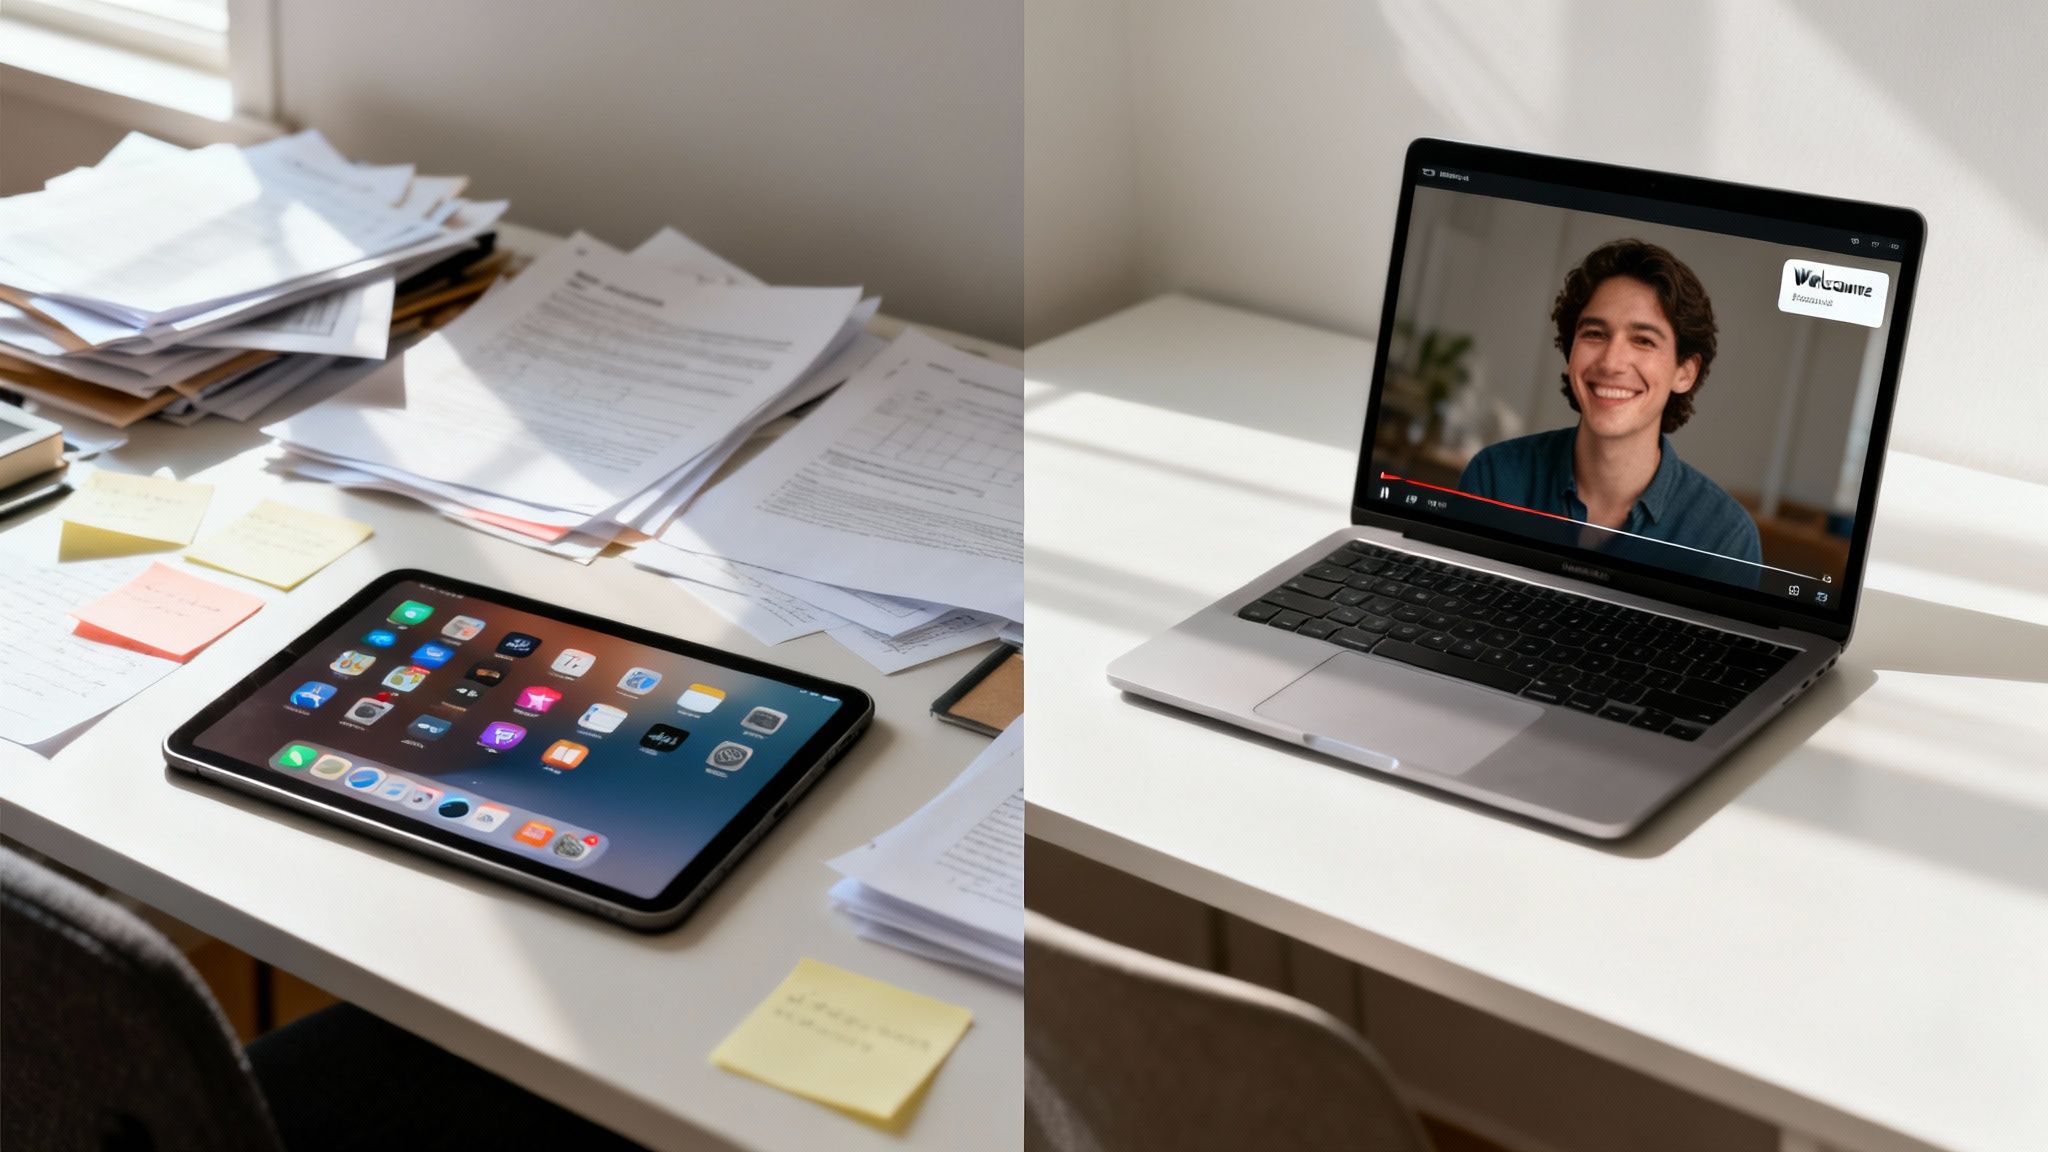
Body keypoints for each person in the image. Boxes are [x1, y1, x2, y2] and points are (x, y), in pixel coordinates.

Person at [1458, 238, 1762, 571]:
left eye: (1643, 340)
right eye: (1595, 334)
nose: (1612, 362)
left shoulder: (1725, 540)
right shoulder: (1494, 480)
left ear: (1684, 372)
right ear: (1569, 352)